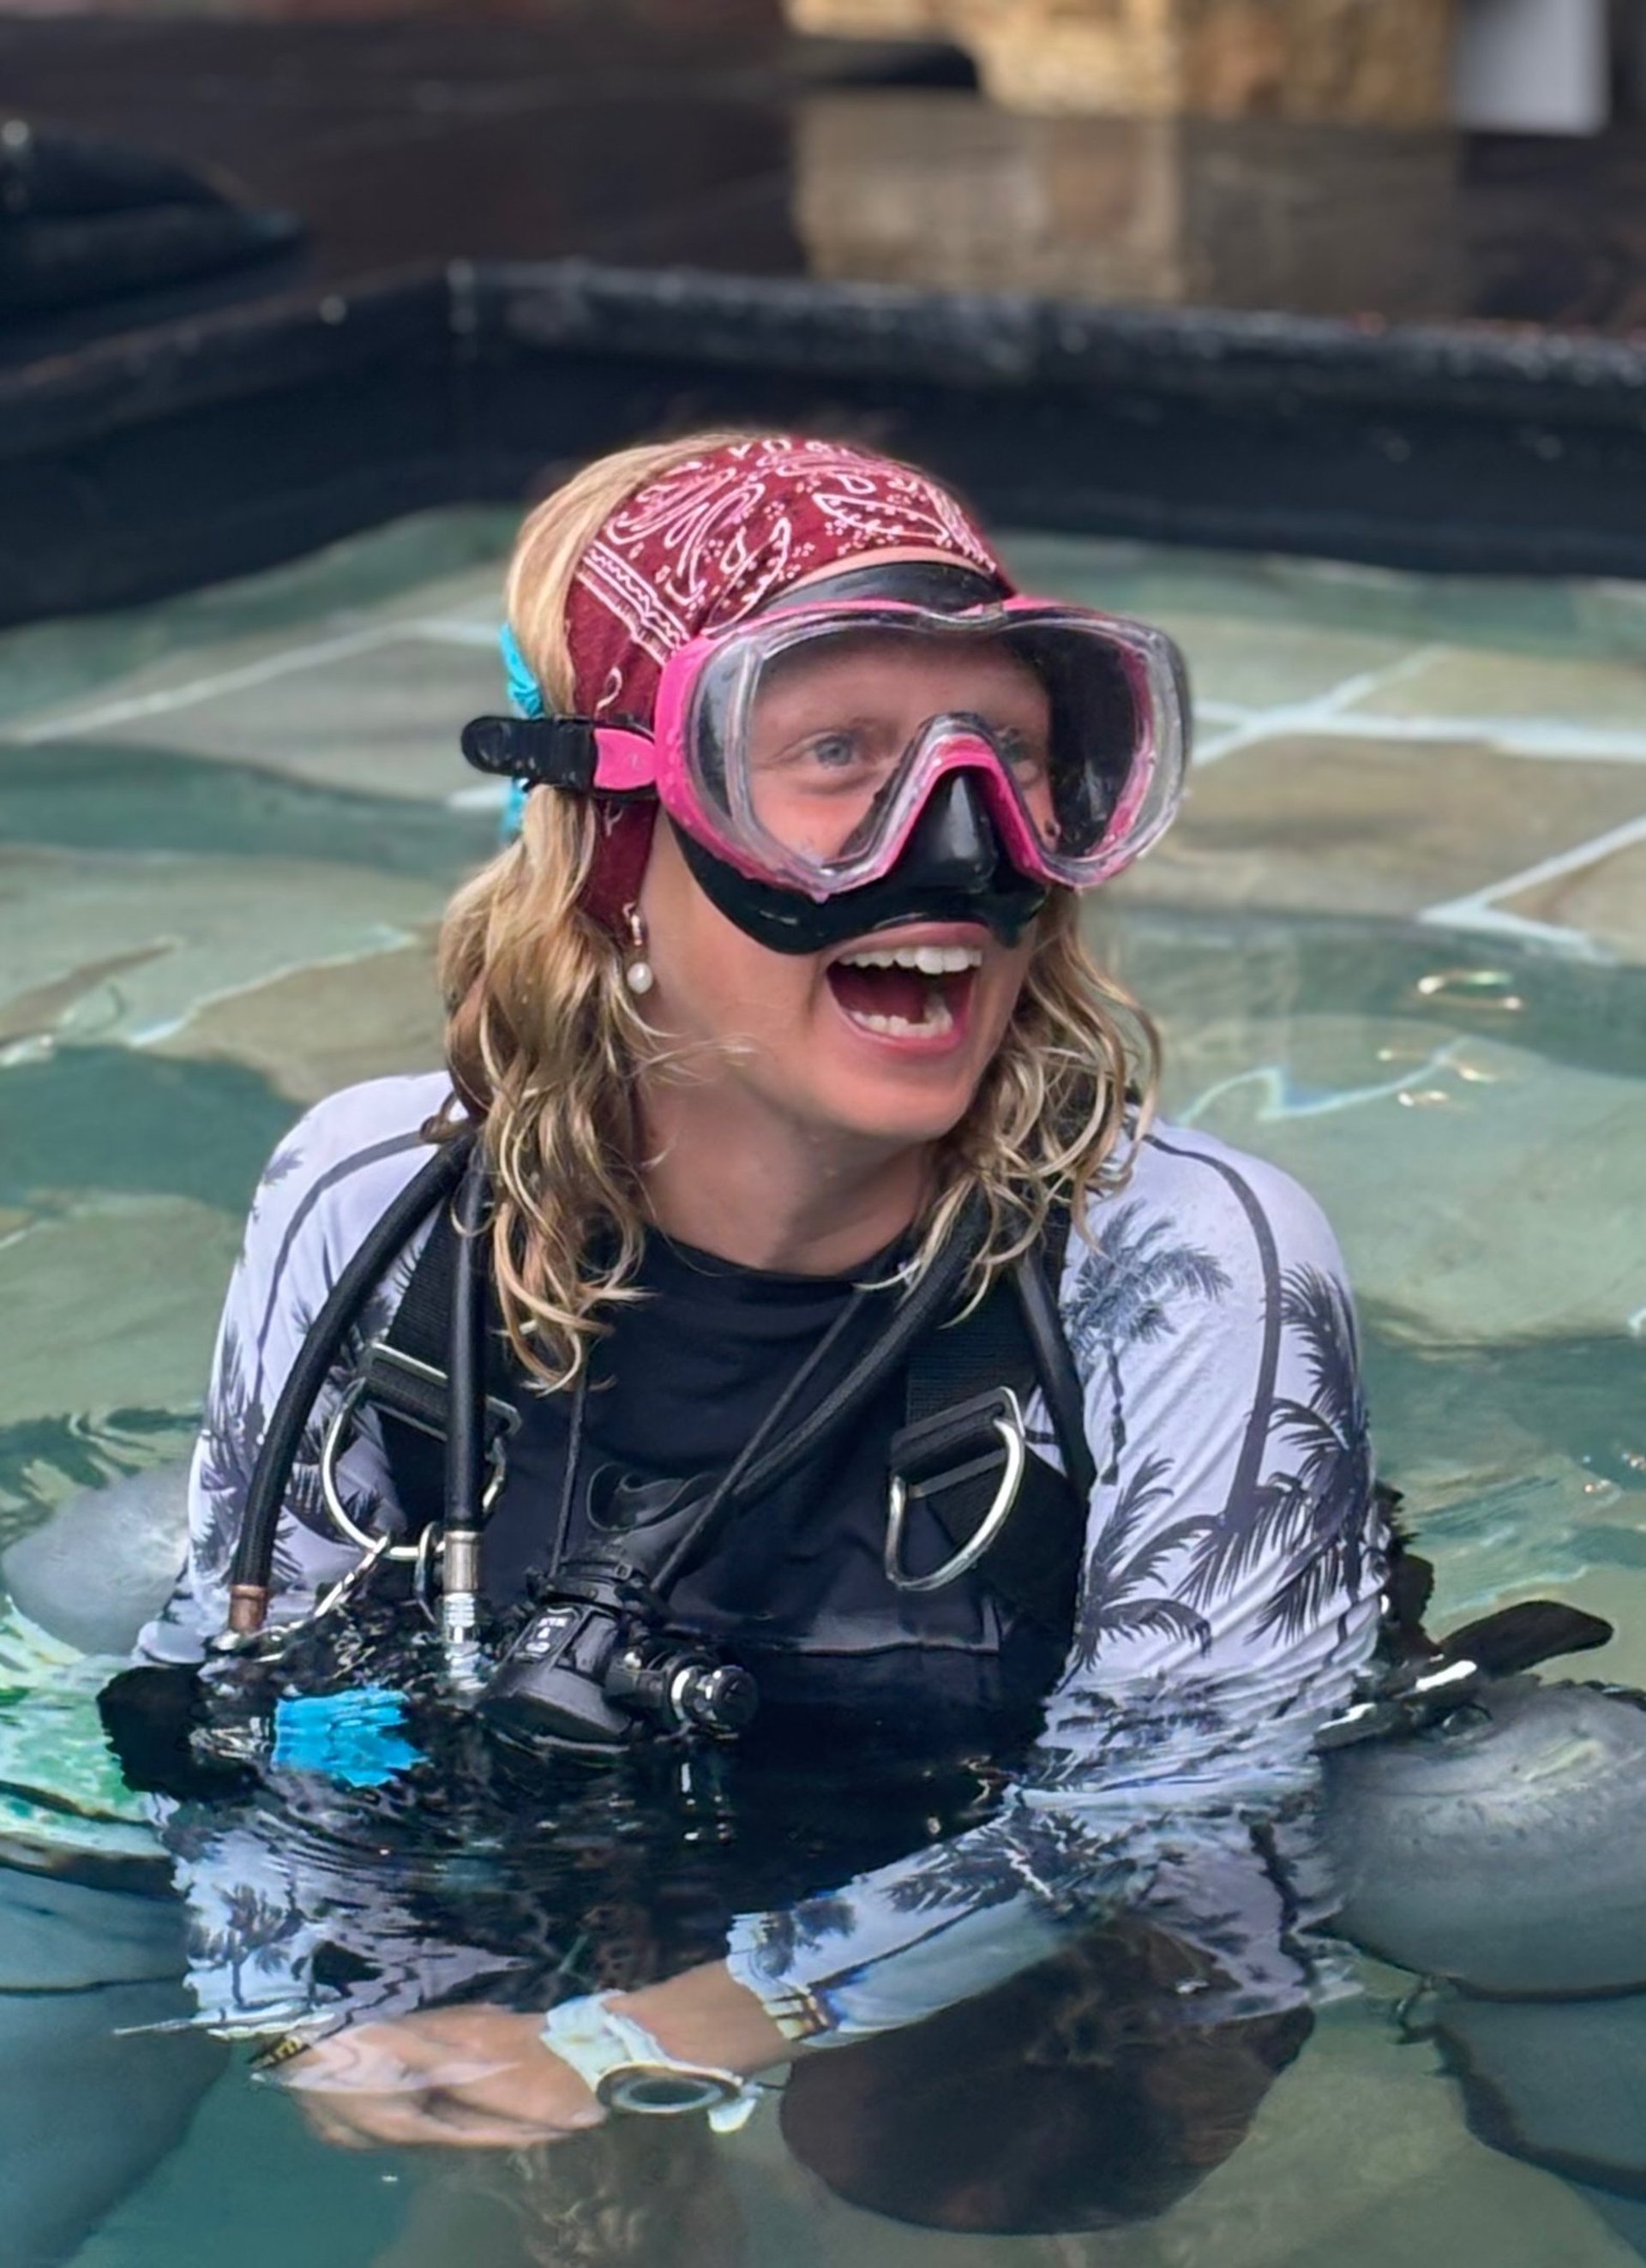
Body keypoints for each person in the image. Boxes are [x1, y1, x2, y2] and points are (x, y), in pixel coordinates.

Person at [123, 429, 1385, 2194]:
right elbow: (237, 1679)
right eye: (837, 756)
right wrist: (316, 2005)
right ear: (611, 834)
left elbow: (1167, 1800)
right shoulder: (368, 1198)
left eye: (1011, 757)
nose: (960, 841)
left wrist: (681, 2025)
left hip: (992, 1916)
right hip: (565, 1824)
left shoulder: (1183, 1259)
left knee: (1505, 1851)